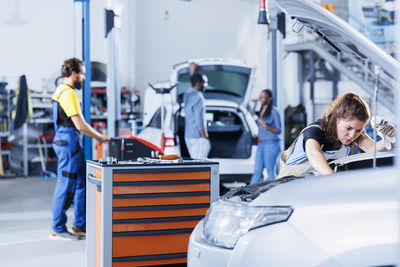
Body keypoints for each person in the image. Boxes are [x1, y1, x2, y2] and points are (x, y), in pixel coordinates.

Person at [49, 58, 109, 241]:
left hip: (71, 141)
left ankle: (80, 225)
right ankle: (58, 228)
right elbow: (81, 125)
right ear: (73, 73)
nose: (84, 78)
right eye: (82, 74)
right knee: (66, 185)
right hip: (69, 142)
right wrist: (101, 137)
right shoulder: (68, 94)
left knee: (82, 184)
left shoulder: (61, 90)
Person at [278, 92, 396, 178]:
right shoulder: (315, 131)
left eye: (358, 130)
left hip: (313, 182)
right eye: (348, 128)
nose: (352, 135)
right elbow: (313, 153)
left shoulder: (352, 133)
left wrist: (386, 139)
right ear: (336, 120)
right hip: (289, 183)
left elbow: (371, 148)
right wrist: (334, 181)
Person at [249, 89, 282, 184]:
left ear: (269, 98)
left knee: (270, 172)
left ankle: (274, 194)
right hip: (261, 144)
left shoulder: (274, 111)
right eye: (260, 96)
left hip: (271, 145)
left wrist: (266, 126)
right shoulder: (260, 111)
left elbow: (278, 130)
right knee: (257, 171)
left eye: (263, 97)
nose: (261, 98)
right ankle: (249, 194)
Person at [183, 62, 210, 159]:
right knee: (200, 164)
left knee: (195, 161)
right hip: (198, 137)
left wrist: (192, 70)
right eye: (204, 83)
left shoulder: (187, 95)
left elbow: (192, 84)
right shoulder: (199, 98)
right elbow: (199, 119)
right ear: (199, 84)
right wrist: (205, 136)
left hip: (188, 136)